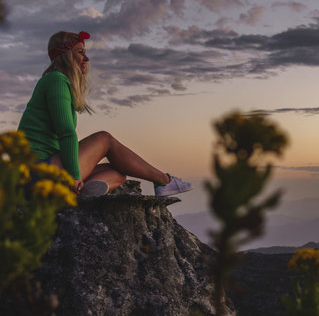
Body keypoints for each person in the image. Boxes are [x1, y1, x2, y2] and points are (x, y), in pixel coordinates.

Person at [17, 31, 193, 197]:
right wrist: (74, 175)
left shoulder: (53, 81)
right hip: (37, 171)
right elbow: (66, 133)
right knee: (104, 139)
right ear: (66, 56)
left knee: (119, 170)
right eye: (80, 52)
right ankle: (164, 181)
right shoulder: (56, 79)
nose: (86, 58)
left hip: (41, 170)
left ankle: (83, 192)